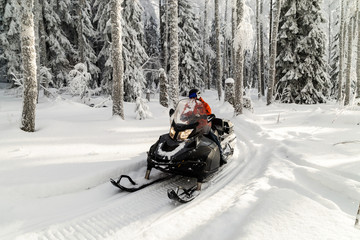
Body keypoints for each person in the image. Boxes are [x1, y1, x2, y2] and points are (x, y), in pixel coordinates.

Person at [188, 89, 226, 165]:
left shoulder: (204, 105)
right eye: (190, 97)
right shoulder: (188, 105)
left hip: (204, 126)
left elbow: (208, 114)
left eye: (193, 96)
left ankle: (221, 155)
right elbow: (184, 112)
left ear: (198, 96)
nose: (192, 98)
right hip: (191, 126)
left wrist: (202, 117)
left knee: (213, 137)